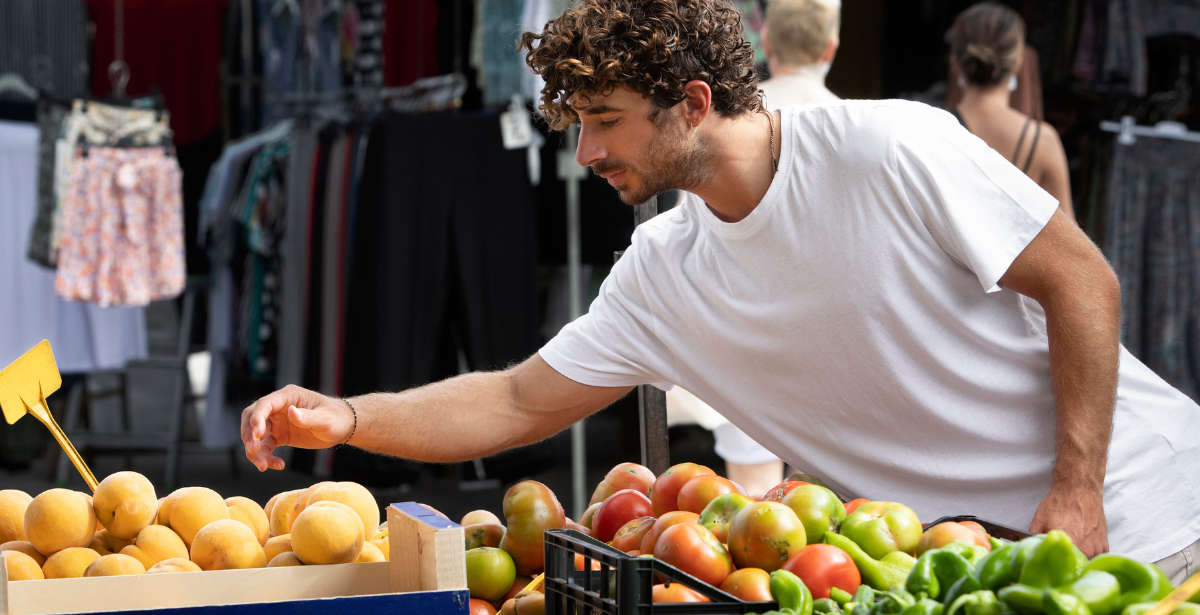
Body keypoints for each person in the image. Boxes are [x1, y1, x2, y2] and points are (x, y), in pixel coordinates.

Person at [242, 0, 1200, 578]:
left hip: (1153, 518)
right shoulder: (662, 272)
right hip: (987, 567)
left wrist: (1077, 485)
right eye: (579, 124)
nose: (587, 153)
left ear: (693, 103)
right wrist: (349, 416)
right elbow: (514, 397)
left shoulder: (888, 147)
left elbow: (1082, 277)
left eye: (606, 120)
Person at [673, 0, 843, 496]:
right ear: (831, 48)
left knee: (752, 504)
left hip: (746, 325)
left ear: (765, 42)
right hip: (829, 331)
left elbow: (695, 229)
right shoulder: (850, 121)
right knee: (831, 503)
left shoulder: (721, 122)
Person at [948, 3, 1075, 221]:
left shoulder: (929, 131)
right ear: (1018, 63)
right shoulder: (1042, 140)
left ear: (955, 63)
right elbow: (1070, 243)